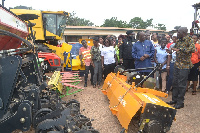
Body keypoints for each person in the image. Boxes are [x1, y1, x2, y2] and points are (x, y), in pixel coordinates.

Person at [167, 27, 195, 109]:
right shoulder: (178, 41)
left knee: (181, 84)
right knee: (175, 83)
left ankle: (180, 102)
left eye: (178, 32)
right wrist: (170, 50)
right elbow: (174, 48)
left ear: (183, 32)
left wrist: (180, 49)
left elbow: (193, 49)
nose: (177, 34)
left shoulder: (189, 40)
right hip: (177, 64)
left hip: (185, 65)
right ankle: (174, 100)